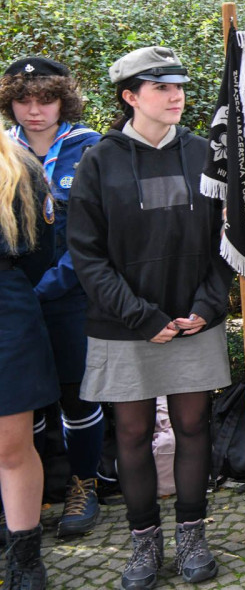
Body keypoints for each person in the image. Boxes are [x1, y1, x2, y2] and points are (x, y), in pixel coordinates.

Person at [68, 46, 233, 589]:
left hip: (192, 321)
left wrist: (207, 307)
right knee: (133, 434)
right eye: (161, 88)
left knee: (192, 428)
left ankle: (191, 536)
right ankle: (143, 544)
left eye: (179, 86)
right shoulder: (99, 159)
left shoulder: (206, 153)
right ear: (129, 96)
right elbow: (87, 255)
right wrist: (142, 317)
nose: (175, 96)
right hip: (125, 324)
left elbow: (224, 243)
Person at [1, 57, 105, 537]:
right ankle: (37, 491)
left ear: (64, 99)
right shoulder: (6, 152)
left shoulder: (89, 149)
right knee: (27, 406)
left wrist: (49, 287)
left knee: (76, 395)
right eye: (23, 100)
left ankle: (84, 486)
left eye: (45, 99)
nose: (34, 111)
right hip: (15, 303)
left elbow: (94, 234)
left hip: (69, 296)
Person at [0, 121, 58, 590]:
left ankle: (25, 560)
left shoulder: (18, 166)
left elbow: (43, 251)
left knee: (11, 445)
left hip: (6, 309)